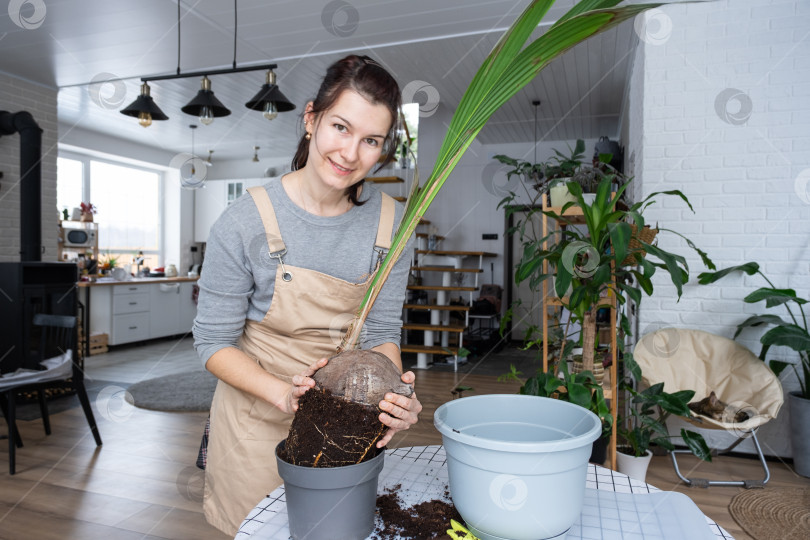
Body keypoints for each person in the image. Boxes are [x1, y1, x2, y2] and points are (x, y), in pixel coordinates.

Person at [192, 54, 422, 536]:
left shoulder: (393, 224)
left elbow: (380, 333)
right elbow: (213, 342)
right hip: (254, 422)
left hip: (345, 425)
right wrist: (283, 393)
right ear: (311, 118)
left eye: (371, 140)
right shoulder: (245, 220)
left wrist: (393, 394)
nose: (350, 152)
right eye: (340, 127)